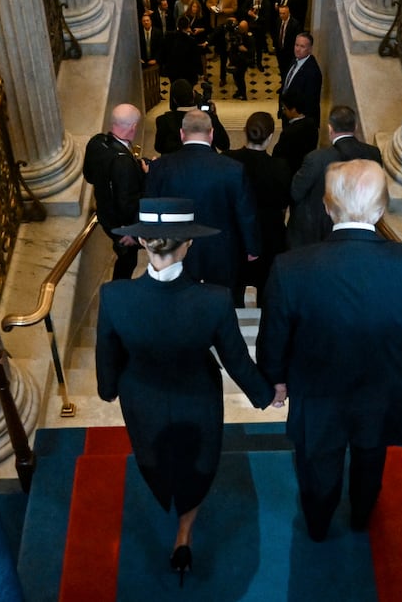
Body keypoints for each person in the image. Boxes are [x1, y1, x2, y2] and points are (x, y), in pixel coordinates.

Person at [257, 161, 402, 541]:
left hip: (318, 398)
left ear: (328, 207)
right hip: (384, 396)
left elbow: (273, 338)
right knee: (371, 458)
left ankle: (318, 526)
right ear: (382, 209)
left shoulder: (291, 267)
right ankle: (362, 517)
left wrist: (276, 381)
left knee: (317, 467)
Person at [96, 198, 276, 583]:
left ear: (142, 241)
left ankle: (176, 518)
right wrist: (265, 395)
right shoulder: (213, 299)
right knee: (198, 465)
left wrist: (108, 390)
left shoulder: (114, 297)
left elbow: (106, 356)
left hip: (141, 399)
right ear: (189, 243)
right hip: (198, 399)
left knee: (157, 462)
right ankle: (185, 531)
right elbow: (237, 361)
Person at [144, 111, 260, 304]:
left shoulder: (161, 167)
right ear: (212, 133)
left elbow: (150, 211)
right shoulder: (233, 168)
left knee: (180, 304)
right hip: (222, 252)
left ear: (182, 134)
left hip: (175, 251)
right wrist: (252, 247)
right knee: (221, 304)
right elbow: (245, 213)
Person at [287, 105, 383, 249]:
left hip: (318, 233)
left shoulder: (316, 158)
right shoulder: (373, 153)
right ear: (355, 127)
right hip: (359, 229)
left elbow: (295, 192)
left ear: (330, 128)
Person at [225, 111, 292, 301]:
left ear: (245, 131)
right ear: (271, 136)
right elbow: (284, 202)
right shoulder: (280, 166)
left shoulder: (229, 160)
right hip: (270, 236)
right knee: (268, 295)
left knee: (234, 293)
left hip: (236, 236)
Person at [83, 103, 148, 281]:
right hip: (122, 227)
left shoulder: (96, 142)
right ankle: (118, 294)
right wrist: (131, 233)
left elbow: (89, 176)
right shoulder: (123, 162)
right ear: (133, 127)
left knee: (126, 261)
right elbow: (128, 204)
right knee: (127, 262)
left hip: (105, 216)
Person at [154, 79, 230, 155]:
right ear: (193, 95)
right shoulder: (208, 117)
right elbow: (224, 145)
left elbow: (159, 147)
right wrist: (214, 116)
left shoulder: (163, 120)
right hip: (205, 163)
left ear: (174, 100)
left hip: (174, 164)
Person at [278, 30, 323, 126]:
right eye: (296, 45)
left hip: (299, 122)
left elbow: (310, 102)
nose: (297, 49)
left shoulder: (313, 72)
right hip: (287, 115)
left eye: (302, 46)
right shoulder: (295, 60)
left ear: (310, 49)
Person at [273, 98, 319, 176]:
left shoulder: (288, 132)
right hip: (308, 168)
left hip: (291, 171)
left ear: (293, 110)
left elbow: (278, 155)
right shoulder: (312, 124)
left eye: (285, 108)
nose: (283, 111)